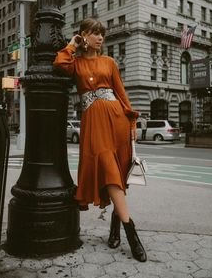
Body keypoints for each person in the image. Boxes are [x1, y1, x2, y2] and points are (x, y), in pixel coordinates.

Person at [53, 18, 147, 262]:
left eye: (102, 34)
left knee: (118, 173)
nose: (100, 38)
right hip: (94, 123)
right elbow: (59, 62)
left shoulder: (110, 62)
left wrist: (132, 121)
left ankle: (116, 227)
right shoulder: (76, 63)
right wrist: (72, 44)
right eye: (95, 33)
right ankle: (132, 234)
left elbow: (121, 92)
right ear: (84, 35)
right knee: (108, 169)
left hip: (117, 119)